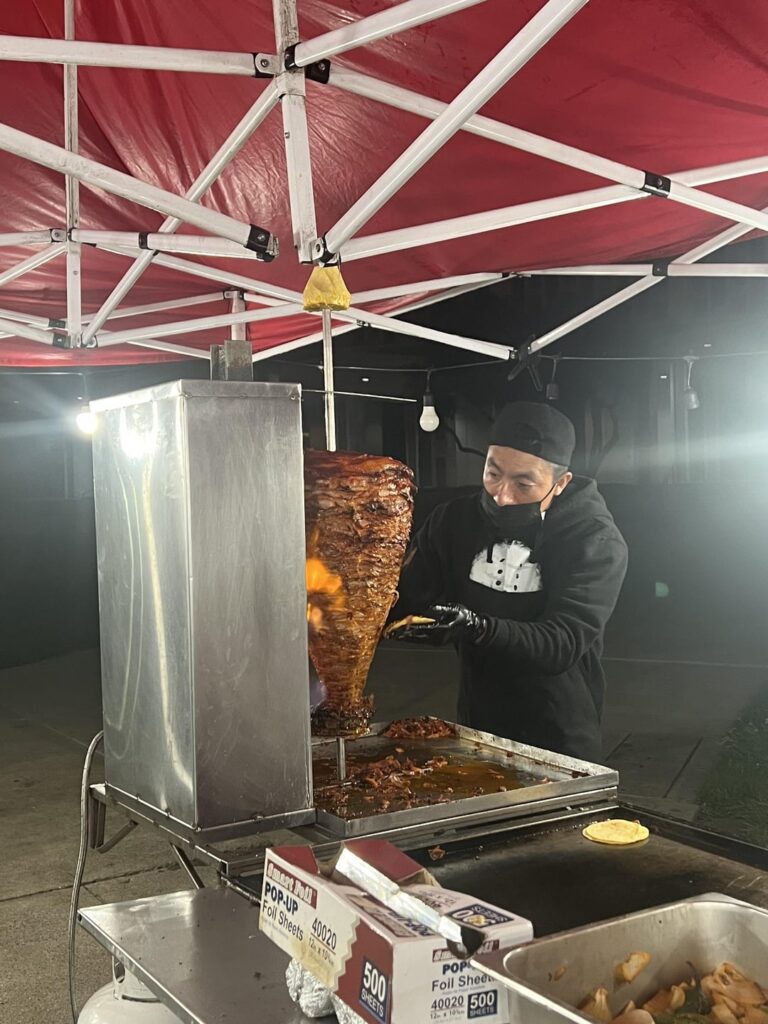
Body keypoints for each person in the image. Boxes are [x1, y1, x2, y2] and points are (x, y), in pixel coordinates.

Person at [389, 402, 628, 762]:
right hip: (478, 725)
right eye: (493, 473)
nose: (502, 495)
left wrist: (477, 626)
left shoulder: (593, 539)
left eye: (524, 483)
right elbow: (409, 595)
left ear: (560, 483)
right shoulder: (454, 521)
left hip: (558, 734)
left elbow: (562, 643)